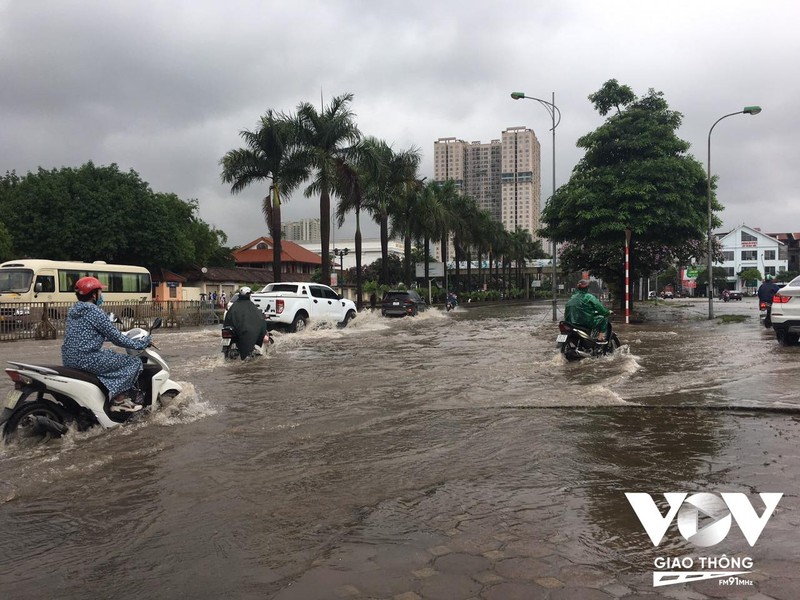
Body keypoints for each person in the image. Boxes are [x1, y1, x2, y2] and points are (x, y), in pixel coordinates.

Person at [61, 276, 152, 413]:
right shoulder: (95, 312)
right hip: (87, 359)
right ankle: (119, 400)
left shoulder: (73, 311)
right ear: (93, 295)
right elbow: (117, 338)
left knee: (109, 355)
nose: (101, 295)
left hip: (69, 359)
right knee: (133, 363)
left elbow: (87, 335)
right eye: (100, 292)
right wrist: (141, 344)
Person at [223, 286, 268, 360]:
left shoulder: (234, 306)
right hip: (243, 332)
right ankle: (247, 352)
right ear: (248, 295)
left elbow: (228, 318)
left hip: (233, 330)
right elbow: (259, 319)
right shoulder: (251, 306)